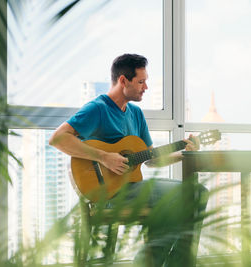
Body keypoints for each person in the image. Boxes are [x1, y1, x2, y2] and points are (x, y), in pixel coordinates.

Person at [49, 53, 207, 267]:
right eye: (141, 82)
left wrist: (183, 152)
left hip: (133, 187)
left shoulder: (136, 113)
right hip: (107, 192)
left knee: (198, 192)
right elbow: (58, 138)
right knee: (188, 195)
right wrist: (104, 157)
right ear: (123, 80)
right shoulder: (98, 108)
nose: (146, 87)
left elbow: (152, 159)